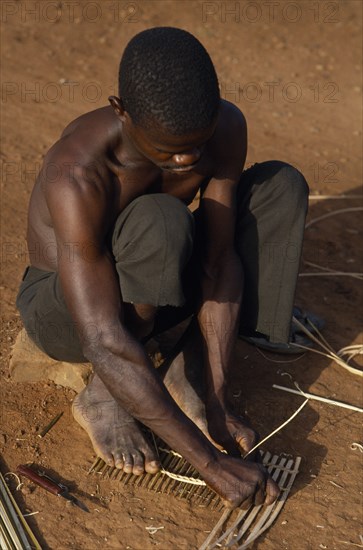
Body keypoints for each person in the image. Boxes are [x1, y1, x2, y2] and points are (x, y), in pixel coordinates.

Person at [15, 26, 313, 509]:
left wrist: (217, 397)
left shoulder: (224, 127)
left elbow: (219, 262)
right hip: (70, 314)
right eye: (168, 148)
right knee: (160, 218)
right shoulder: (78, 170)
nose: (186, 159)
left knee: (279, 188)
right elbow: (102, 338)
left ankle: (188, 376)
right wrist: (211, 466)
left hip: (157, 280)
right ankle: (103, 397)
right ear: (121, 111)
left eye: (197, 144)